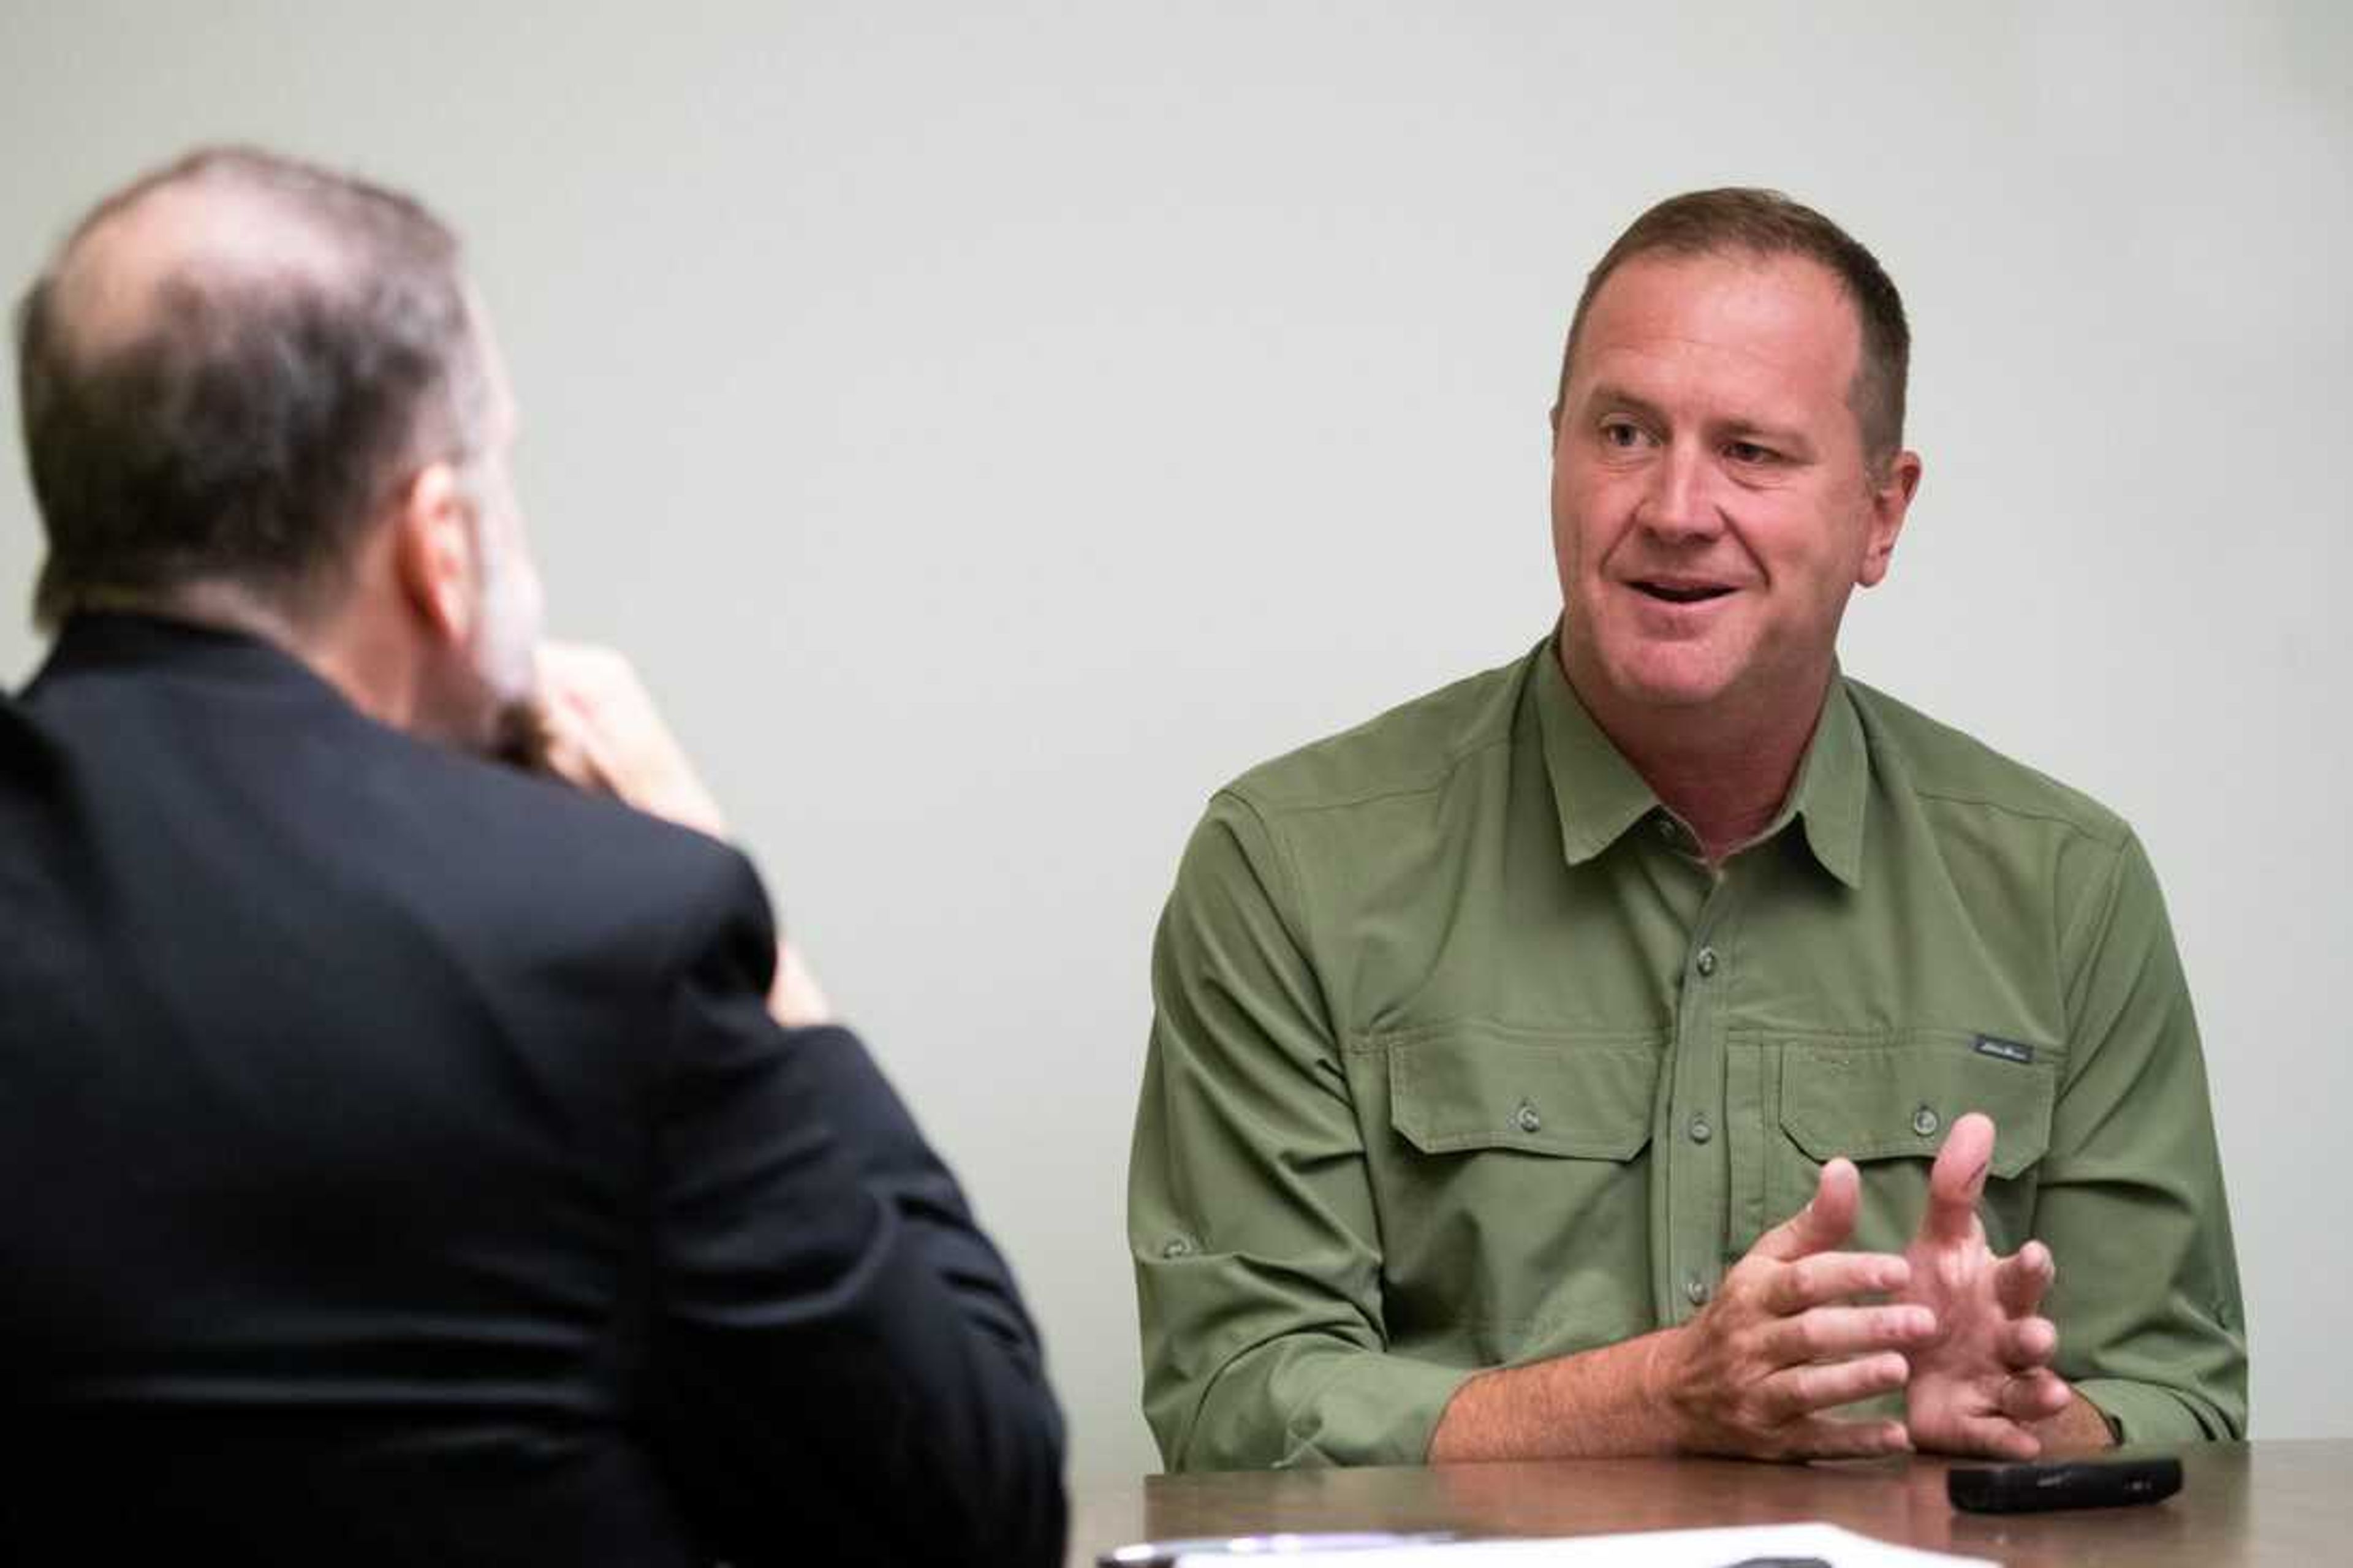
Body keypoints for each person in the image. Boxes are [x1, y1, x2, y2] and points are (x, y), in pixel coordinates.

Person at [0, 146, 1064, 1564]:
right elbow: (973, 1503)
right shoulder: (609, 931)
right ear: (439, 543)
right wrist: (743, 925)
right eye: (502, 465)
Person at [1129, 187, 2246, 1471]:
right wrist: (1662, 1393)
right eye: (1624, 432)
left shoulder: (2068, 890)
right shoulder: (1290, 866)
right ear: (1556, 453)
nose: (1673, 505)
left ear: (1884, 511)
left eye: (1753, 452)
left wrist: (2016, 1416)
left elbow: (2186, 1407)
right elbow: (1236, 1398)